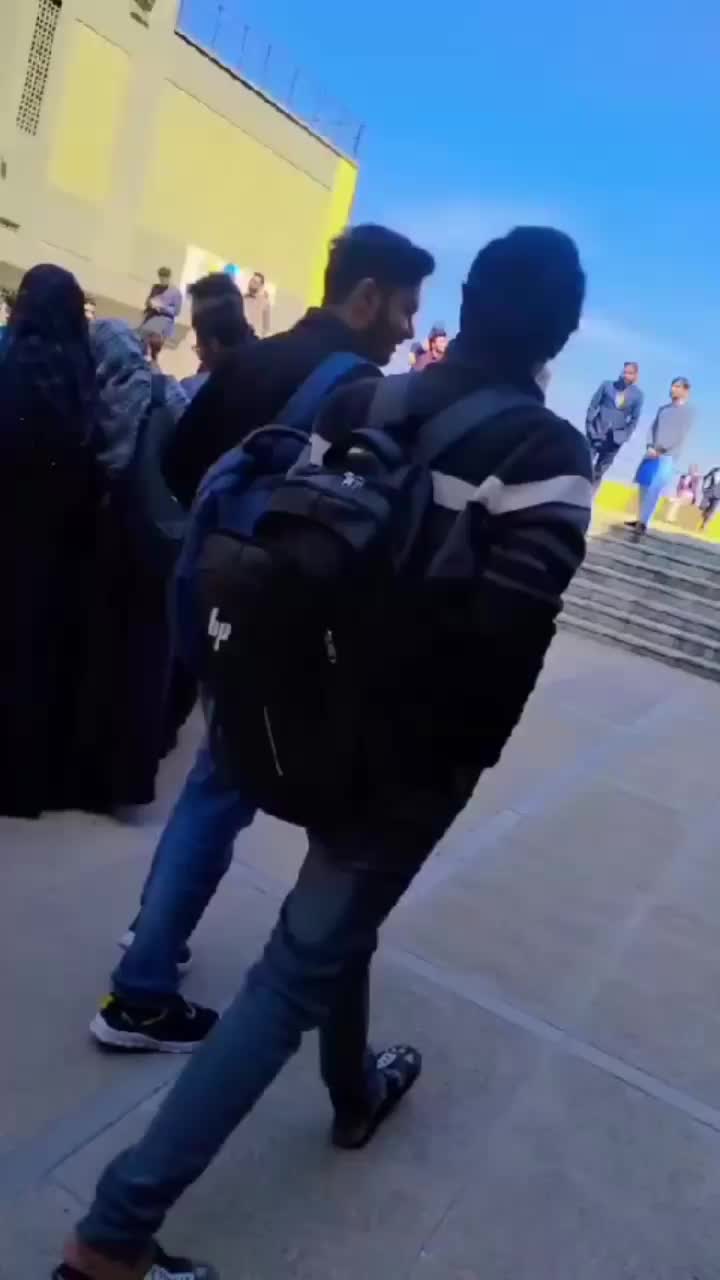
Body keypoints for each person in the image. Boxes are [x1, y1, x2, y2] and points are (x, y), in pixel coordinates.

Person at [58, 226, 592, 1280]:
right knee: (293, 972)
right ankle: (112, 1235)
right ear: (562, 335)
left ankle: (354, 1090)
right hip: (400, 760)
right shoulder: (548, 455)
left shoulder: (363, 402)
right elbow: (506, 641)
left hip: (290, 713)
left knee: (340, 923)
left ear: (466, 301)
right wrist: (448, 777)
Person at [90, 223, 434, 1050]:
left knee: (214, 781)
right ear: (367, 296)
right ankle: (140, 992)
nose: (409, 330)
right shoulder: (360, 392)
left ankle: (151, 934)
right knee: (229, 791)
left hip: (212, 597)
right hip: (281, 626)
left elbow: (179, 464)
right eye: (405, 308)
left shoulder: (251, 358)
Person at [65, 320, 188, 812]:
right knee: (145, 661)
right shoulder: (167, 393)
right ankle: (130, 777)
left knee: (100, 657)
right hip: (157, 542)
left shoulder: (95, 397)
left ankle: (88, 772)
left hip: (109, 540)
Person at [0, 264, 97, 818]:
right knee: (33, 659)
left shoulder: (16, 361)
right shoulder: (82, 371)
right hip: (55, 540)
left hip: (11, 528)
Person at [627, 377, 696, 534]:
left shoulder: (688, 412)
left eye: (677, 386)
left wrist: (662, 449)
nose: (673, 389)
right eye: (672, 386)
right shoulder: (663, 409)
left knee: (655, 488)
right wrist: (650, 446)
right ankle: (639, 518)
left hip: (667, 456)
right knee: (643, 485)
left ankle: (644, 522)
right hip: (651, 453)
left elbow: (680, 435)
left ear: (686, 390)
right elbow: (652, 428)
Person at [585, 361, 644, 484]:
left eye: (629, 373)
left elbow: (634, 419)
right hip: (595, 433)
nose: (625, 375)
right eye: (624, 372)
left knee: (598, 472)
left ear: (635, 376)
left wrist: (624, 436)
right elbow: (593, 405)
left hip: (614, 440)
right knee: (582, 465)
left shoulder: (638, 395)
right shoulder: (607, 385)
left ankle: (590, 493)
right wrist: (590, 426)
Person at [139, 266, 183, 349]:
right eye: (160, 278)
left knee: (154, 343)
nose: (162, 280)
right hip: (151, 315)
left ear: (169, 277)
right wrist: (150, 303)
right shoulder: (155, 287)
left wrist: (164, 308)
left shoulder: (175, 292)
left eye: (164, 278)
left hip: (164, 319)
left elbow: (177, 312)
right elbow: (147, 302)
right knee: (142, 340)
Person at [243, 269, 271, 338]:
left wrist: (260, 338)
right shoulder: (242, 298)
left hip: (254, 338)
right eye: (251, 280)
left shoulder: (265, 302)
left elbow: (266, 326)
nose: (252, 283)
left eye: (255, 282)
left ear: (260, 286)